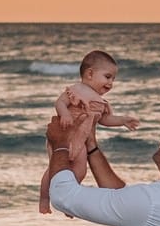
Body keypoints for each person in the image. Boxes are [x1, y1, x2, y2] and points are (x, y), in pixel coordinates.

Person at [40, 49, 141, 214]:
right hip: (63, 137)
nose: (111, 83)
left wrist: (122, 120)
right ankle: (44, 199)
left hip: (81, 142)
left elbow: (105, 120)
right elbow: (60, 102)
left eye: (113, 79)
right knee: (54, 170)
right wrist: (65, 114)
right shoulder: (77, 89)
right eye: (108, 77)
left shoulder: (101, 102)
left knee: (80, 171)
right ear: (90, 74)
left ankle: (69, 203)